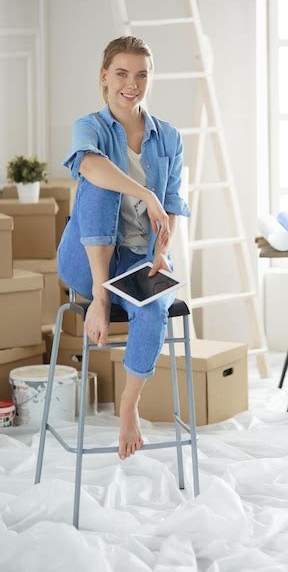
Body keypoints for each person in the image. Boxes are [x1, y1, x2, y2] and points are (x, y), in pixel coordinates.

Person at [57, 36, 190, 461]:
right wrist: (143, 195)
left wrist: (163, 250)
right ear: (104, 77)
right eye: (121, 73)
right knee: (98, 183)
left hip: (137, 257)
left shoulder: (167, 136)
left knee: (153, 311)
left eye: (141, 75)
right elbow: (90, 166)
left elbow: (172, 203)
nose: (131, 84)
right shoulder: (90, 127)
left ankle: (128, 409)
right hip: (86, 258)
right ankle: (99, 295)